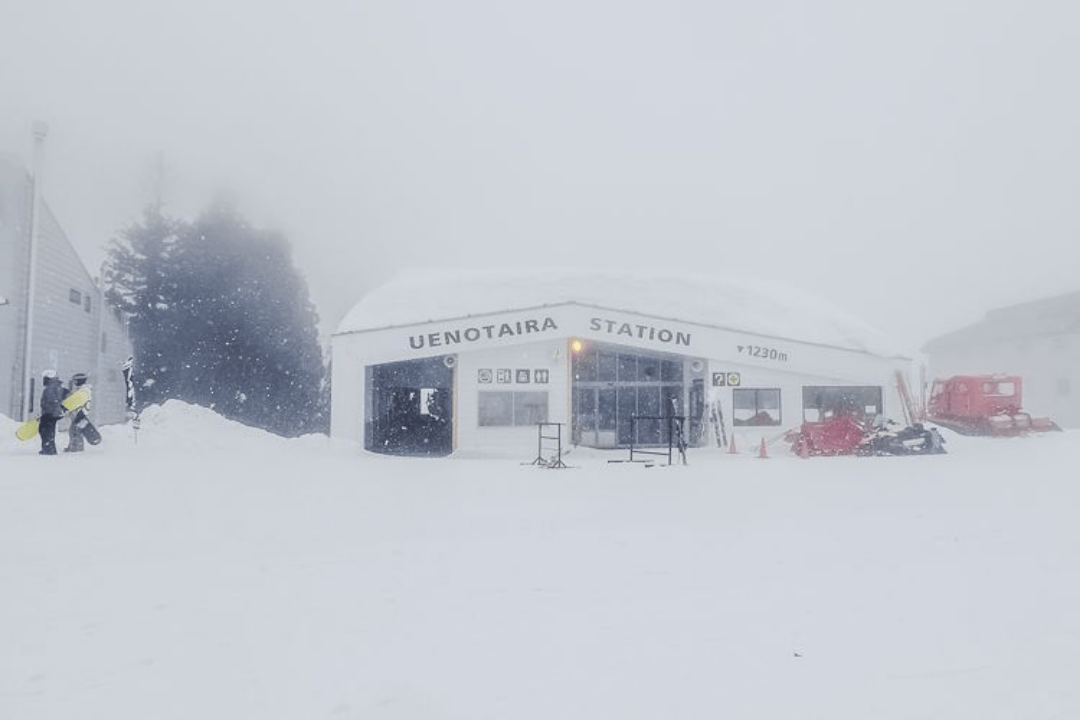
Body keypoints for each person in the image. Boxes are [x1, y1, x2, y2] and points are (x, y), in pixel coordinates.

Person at [38, 369, 65, 456]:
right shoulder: (57, 386)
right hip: (54, 413)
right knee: (50, 431)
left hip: (50, 414)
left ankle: (48, 449)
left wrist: (46, 414)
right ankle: (50, 448)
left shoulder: (50, 388)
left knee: (45, 431)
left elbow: (51, 402)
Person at [65, 373, 92, 453]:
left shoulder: (84, 390)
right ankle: (75, 446)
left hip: (80, 413)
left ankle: (76, 448)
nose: (74, 382)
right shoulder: (80, 389)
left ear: (79, 381)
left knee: (75, 431)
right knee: (75, 430)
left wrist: (80, 414)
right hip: (78, 413)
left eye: (75, 380)